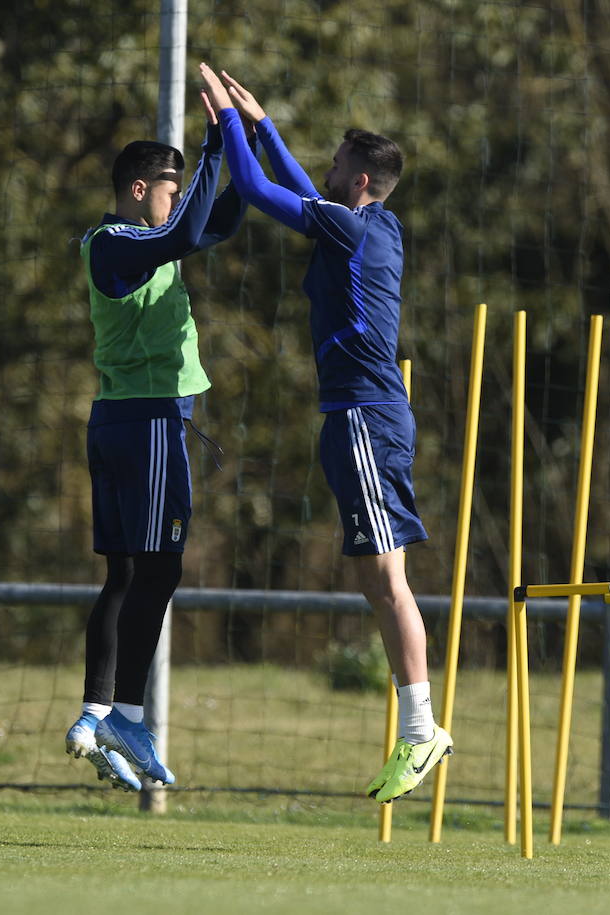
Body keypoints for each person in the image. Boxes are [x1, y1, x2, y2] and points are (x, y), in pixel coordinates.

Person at [200, 65, 452, 804]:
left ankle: (423, 729)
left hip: (366, 419)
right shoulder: (370, 222)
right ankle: (420, 726)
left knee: (388, 582)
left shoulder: (350, 226)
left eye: (339, 165)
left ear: (363, 182)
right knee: (378, 580)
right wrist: (265, 125)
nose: (327, 172)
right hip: (361, 418)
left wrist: (228, 127)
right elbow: (307, 190)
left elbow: (257, 192)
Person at [64, 89, 249, 792]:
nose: (179, 202)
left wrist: (246, 148)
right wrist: (213, 144)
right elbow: (182, 233)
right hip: (142, 423)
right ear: (138, 189)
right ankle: (125, 717)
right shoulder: (117, 243)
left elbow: (220, 217)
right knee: (159, 570)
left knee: (127, 574)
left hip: (129, 419)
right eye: (171, 189)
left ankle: (97, 714)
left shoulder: (145, 241)